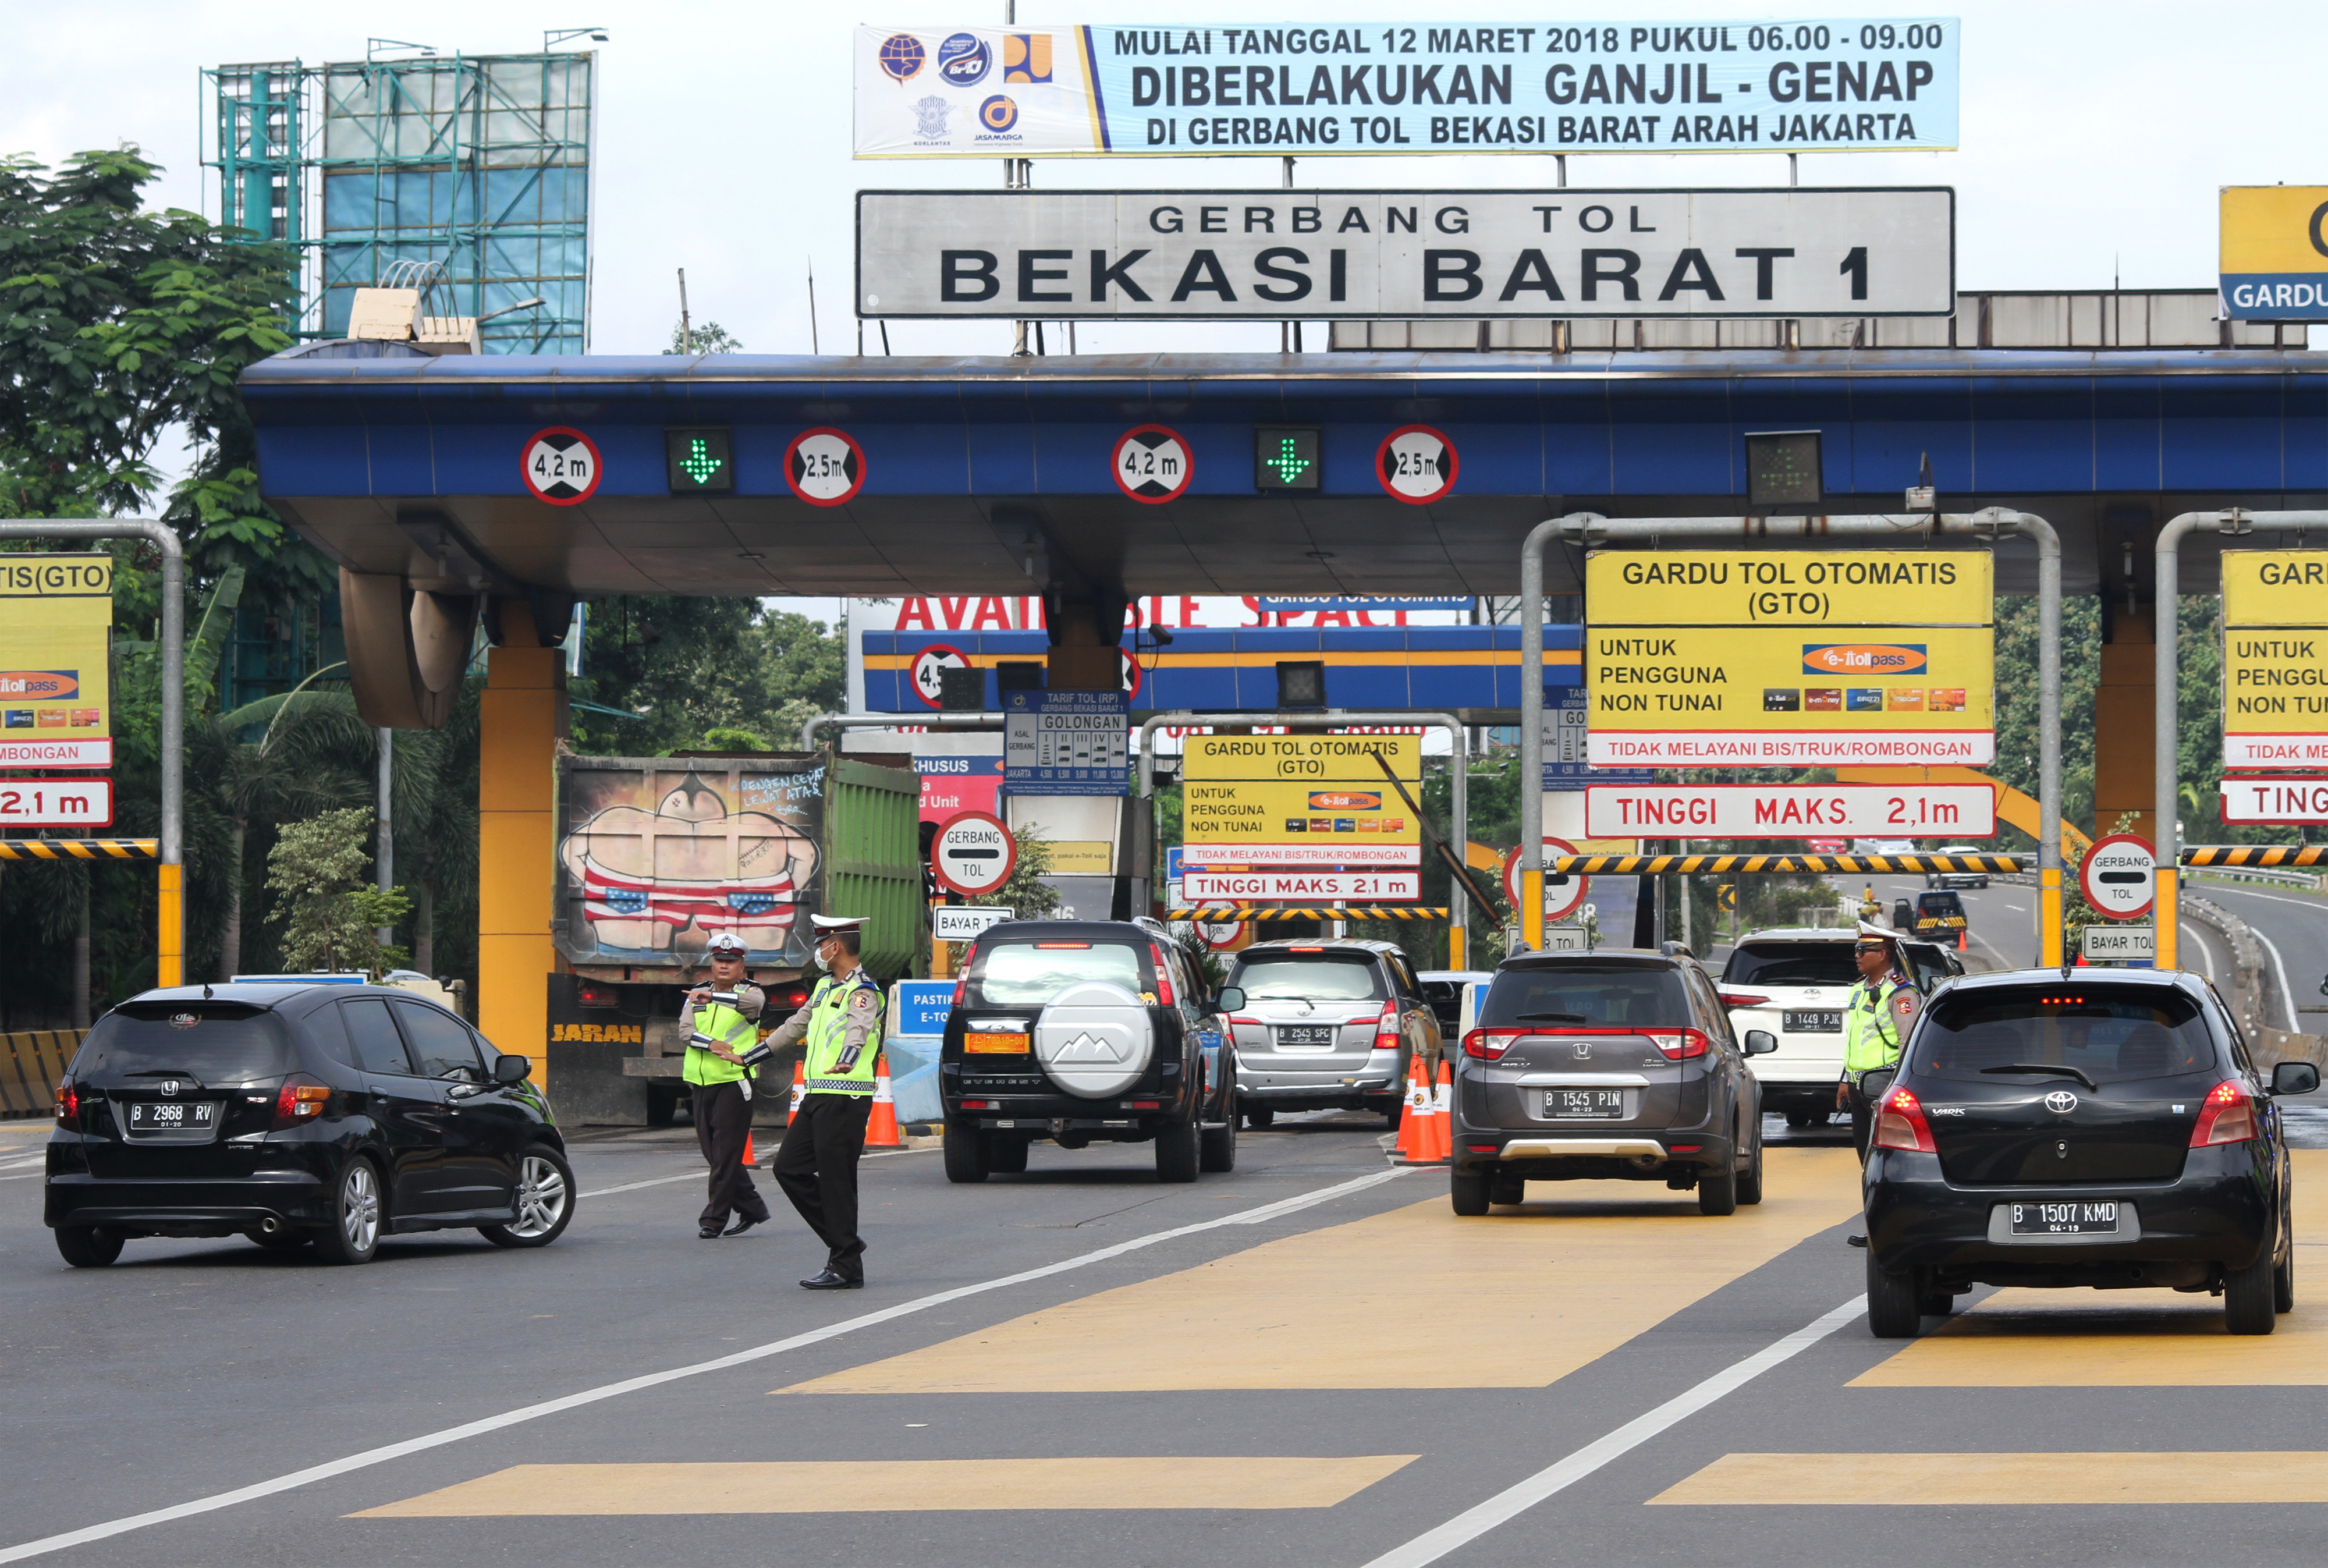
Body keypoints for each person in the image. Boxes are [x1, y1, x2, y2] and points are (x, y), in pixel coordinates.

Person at [763, 913, 886, 1290]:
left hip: (847, 1095)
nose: (818, 950)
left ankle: (846, 1263)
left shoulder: (863, 990)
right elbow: (795, 1026)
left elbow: (860, 1029)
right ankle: (845, 1242)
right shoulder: (823, 987)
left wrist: (847, 1060)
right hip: (819, 1093)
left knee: (837, 1181)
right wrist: (752, 1056)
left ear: (838, 946)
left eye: (822, 944)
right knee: (789, 1168)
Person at [680, 931, 774, 1240]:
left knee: (724, 1156)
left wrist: (715, 997)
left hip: (735, 1082)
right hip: (700, 1081)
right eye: (719, 960)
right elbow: (685, 1031)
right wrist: (711, 1044)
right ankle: (753, 1208)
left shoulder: (752, 993)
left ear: (742, 967)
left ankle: (713, 1220)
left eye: (731, 962)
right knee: (717, 1155)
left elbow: (753, 1007)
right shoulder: (697, 993)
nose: (724, 966)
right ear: (711, 963)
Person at [1838, 920, 1921, 1162]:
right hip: (1857, 1087)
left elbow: (1908, 1043)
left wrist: (1901, 1088)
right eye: (1857, 949)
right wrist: (1845, 1080)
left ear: (1883, 954)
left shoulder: (1900, 992)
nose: (1857, 955)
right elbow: (1855, 1040)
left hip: (1884, 1087)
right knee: (1865, 1156)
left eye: (1863, 950)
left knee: (1888, 1159)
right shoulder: (1858, 990)